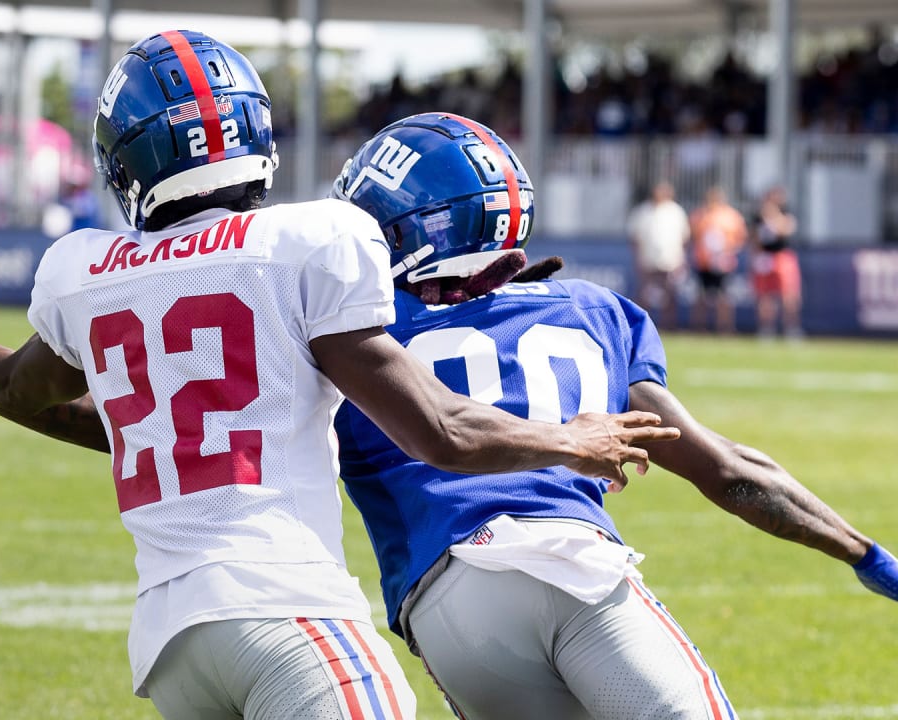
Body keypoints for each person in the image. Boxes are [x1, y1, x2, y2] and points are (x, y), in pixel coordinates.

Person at [0, 31, 679, 720]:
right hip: (287, 607)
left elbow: (28, 393)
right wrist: (565, 440)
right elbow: (441, 430)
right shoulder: (308, 241)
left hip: (173, 643)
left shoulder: (82, 271)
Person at [330, 112, 898, 719]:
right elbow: (729, 471)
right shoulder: (593, 310)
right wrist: (865, 554)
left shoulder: (348, 338)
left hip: (445, 608)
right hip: (573, 570)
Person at [627, 181, 690, 330]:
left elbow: (684, 237)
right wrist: (638, 259)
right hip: (648, 260)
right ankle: (641, 326)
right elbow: (634, 238)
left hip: (670, 261)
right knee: (644, 295)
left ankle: (668, 326)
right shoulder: (642, 211)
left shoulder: (676, 212)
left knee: (670, 296)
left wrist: (681, 260)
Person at [688, 186, 747, 334]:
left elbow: (740, 238)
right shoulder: (700, 215)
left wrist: (728, 252)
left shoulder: (731, 216)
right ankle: (698, 328)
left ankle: (724, 328)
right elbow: (693, 236)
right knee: (701, 296)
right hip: (704, 262)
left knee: (724, 298)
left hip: (724, 263)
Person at [750, 185, 802, 339]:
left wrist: (772, 217)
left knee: (789, 295)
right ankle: (766, 328)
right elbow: (754, 239)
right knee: (765, 296)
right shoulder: (758, 217)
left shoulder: (785, 214)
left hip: (782, 256)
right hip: (765, 257)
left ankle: (791, 327)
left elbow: (786, 229)